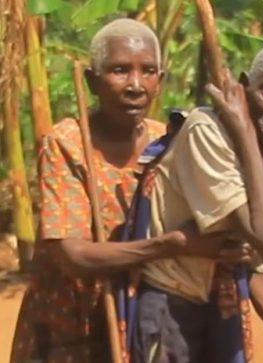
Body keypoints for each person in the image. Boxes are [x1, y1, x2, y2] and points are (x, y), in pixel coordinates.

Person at [10, 18, 231, 362]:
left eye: (147, 71)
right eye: (119, 70)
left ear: (161, 79)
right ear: (91, 80)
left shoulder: (170, 144)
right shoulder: (67, 143)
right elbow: (74, 256)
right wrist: (169, 244)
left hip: (137, 332)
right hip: (67, 334)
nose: (135, 85)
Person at [131, 41, 263, 363]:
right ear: (244, 89)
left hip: (226, 304)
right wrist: (244, 130)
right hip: (170, 304)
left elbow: (260, 263)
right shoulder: (207, 131)